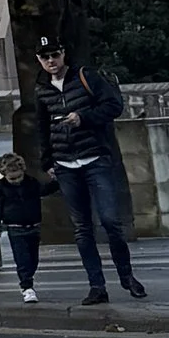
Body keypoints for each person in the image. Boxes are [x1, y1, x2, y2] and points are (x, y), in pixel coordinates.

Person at [34, 39, 146, 307]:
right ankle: (97, 286)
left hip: (95, 159)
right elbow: (42, 127)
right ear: (39, 61)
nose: (51, 61)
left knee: (110, 221)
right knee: (82, 229)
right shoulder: (41, 89)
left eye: (55, 55)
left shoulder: (86, 77)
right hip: (66, 165)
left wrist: (83, 118)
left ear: (63, 54)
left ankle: (127, 276)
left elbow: (113, 107)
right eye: (45, 57)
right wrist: (48, 162)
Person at [0, 151, 44, 303]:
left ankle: (28, 279)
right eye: (11, 178)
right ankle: (27, 286)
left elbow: (44, 190)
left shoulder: (32, 183)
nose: (15, 181)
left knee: (33, 259)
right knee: (22, 259)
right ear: (4, 174)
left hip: (33, 226)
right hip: (14, 228)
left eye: (18, 177)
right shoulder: (1, 188)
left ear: (23, 171)